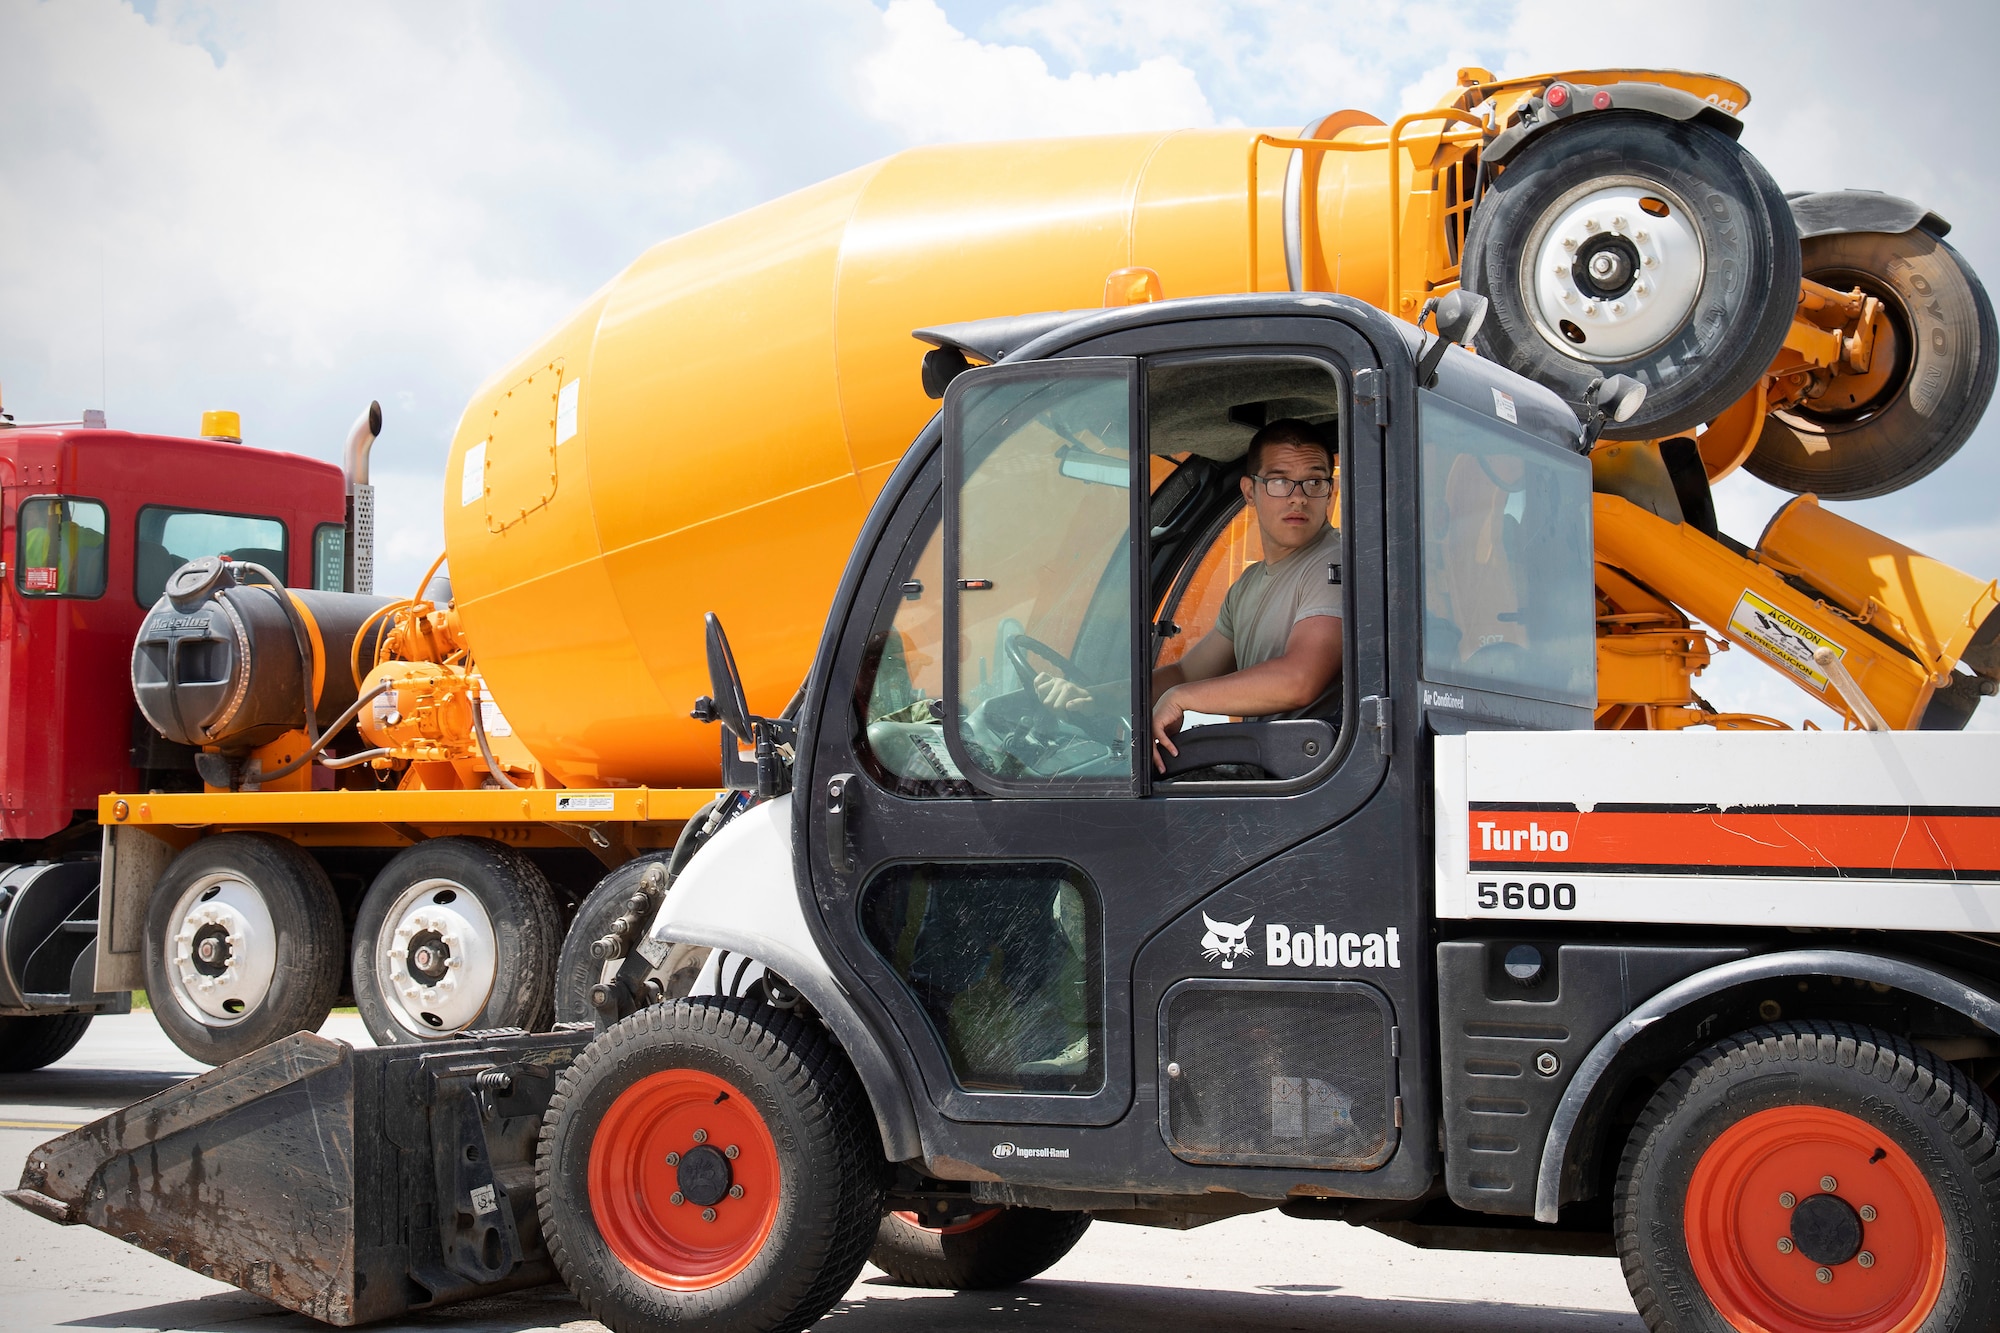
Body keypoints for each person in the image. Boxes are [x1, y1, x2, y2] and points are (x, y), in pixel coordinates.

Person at [1038, 417, 1342, 773]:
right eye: (1279, 481)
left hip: (1310, 779)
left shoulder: (1334, 564)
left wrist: (1181, 700)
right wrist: (1093, 698)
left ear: (1330, 491)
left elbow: (1299, 680)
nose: (1298, 497)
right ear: (1249, 491)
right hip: (1271, 774)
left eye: (1314, 482)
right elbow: (1185, 672)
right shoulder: (1248, 585)